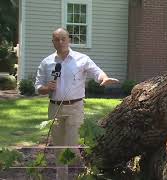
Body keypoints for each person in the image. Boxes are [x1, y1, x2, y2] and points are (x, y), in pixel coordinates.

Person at [35, 27, 119, 179]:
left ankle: (83, 172)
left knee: (73, 146)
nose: (60, 42)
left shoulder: (82, 59)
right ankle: (62, 177)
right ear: (52, 42)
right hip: (54, 108)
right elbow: (38, 86)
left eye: (63, 39)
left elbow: (97, 72)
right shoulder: (46, 62)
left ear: (69, 40)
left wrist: (104, 78)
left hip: (75, 107)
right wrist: (46, 88)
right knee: (59, 148)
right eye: (57, 39)